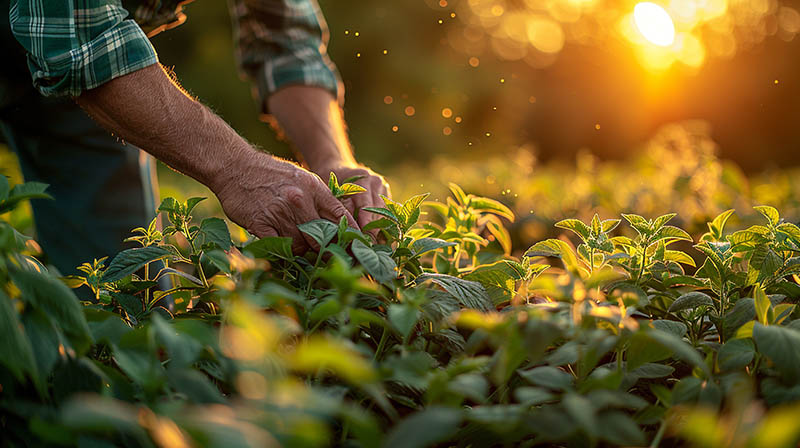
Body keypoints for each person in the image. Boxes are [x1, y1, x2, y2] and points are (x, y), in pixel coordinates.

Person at [0, 0, 389, 275]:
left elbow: (286, 39)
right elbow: (79, 32)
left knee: (125, 301)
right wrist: (238, 168)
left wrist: (333, 163)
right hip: (77, 45)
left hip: (91, 79)